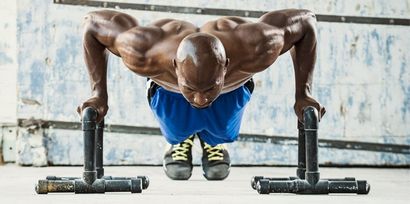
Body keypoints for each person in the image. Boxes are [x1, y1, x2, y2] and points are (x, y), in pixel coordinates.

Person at [77, 9, 326, 180]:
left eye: (208, 89)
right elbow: (91, 24)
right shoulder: (143, 49)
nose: (200, 99)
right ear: (175, 66)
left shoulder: (256, 45)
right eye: (192, 90)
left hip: (229, 90)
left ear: (226, 64)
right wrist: (98, 93)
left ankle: (213, 141)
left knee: (223, 132)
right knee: (177, 133)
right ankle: (180, 140)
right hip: (170, 91)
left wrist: (303, 93)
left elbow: (305, 22)